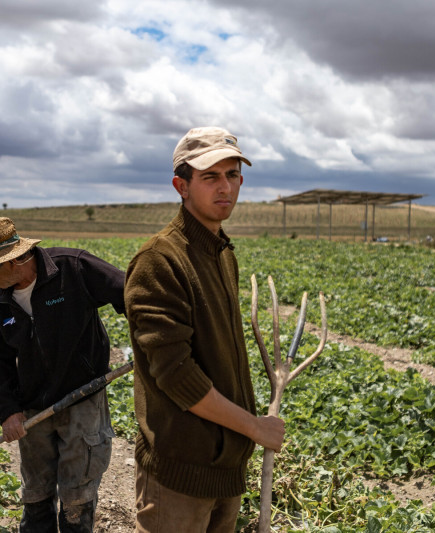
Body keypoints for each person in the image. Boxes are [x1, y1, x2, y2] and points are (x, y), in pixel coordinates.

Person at [124, 127, 286, 532]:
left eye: (232, 175)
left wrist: (245, 438)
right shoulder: (159, 261)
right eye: (210, 177)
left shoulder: (221, 253)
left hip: (227, 466)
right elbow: (179, 377)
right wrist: (254, 427)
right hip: (180, 475)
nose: (225, 187)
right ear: (181, 185)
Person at [0, 216, 125, 533]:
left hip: (83, 396)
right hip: (33, 405)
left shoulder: (73, 269)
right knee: (36, 495)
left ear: (14, 259)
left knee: (77, 498)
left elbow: (131, 293)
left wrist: (151, 339)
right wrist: (7, 410)